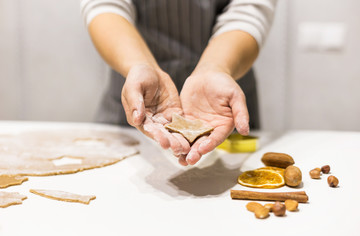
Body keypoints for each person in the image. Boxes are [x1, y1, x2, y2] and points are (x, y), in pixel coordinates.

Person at [80, 0, 277, 166]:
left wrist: (215, 68)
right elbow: (105, 5)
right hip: (137, 99)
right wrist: (139, 65)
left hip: (219, 104)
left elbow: (249, 11)